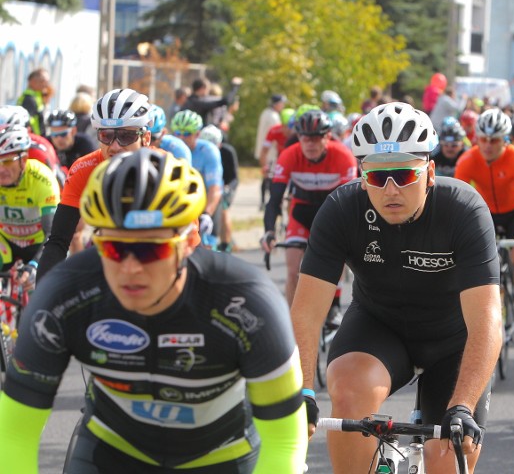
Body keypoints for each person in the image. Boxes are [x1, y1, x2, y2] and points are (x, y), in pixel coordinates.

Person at [0, 148, 308, 472]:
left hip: (222, 456)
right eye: (114, 248)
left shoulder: (246, 301)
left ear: (190, 241)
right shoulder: (66, 293)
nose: (130, 268)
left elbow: (284, 439)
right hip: (113, 451)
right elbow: (14, 433)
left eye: (151, 249)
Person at [291, 102, 501, 473]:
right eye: (376, 177)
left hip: (454, 341)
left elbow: (487, 320)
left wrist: (463, 407)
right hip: (379, 327)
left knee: (449, 456)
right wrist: (304, 390)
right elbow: (306, 312)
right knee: (349, 390)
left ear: (430, 172)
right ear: (361, 175)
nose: (390, 189)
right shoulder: (342, 209)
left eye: (404, 175)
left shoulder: (464, 210)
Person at [37, 88, 154, 281]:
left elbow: (188, 242)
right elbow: (58, 241)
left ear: (146, 139)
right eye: (106, 136)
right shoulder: (84, 169)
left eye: (126, 136)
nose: (115, 146)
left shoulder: (166, 169)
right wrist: (41, 298)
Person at [454, 109, 514, 343]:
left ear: (505, 140)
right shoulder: (467, 160)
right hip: (485, 214)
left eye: (495, 140)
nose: (488, 145)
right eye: (483, 140)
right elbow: (457, 202)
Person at [261, 110, 356, 308]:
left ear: (327, 137)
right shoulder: (289, 155)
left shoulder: (343, 156)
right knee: (293, 268)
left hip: (332, 212)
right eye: (305, 138)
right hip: (301, 211)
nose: (310, 143)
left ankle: (334, 304)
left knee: (336, 253)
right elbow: (275, 199)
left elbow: (350, 201)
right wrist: (269, 231)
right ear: (298, 138)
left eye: (316, 138)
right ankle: (293, 328)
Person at [0, 125, 60, 291]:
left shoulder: (42, 179)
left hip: (38, 243)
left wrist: (34, 265)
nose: (0, 169)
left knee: (44, 293)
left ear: (24, 160)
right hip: (5, 241)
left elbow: (54, 233)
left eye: (6, 161)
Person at [170, 110, 223, 245]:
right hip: (181, 202)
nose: (181, 138)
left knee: (208, 247)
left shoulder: (209, 151)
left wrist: (207, 213)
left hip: (206, 200)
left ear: (198, 134)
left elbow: (214, 188)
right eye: (177, 133)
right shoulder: (169, 148)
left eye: (187, 134)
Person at [200, 125, 240, 252]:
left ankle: (225, 243)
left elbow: (234, 177)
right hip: (205, 187)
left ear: (220, 144)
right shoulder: (199, 151)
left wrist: (228, 188)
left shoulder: (228, 152)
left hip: (224, 185)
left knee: (223, 208)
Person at [45, 109, 98, 173]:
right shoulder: (46, 144)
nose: (59, 139)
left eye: (63, 134)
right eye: (54, 135)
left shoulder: (85, 143)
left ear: (73, 131)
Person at [17, 68, 53, 136]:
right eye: (43, 81)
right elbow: (26, 123)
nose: (46, 84)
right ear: (32, 81)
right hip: (33, 140)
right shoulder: (29, 99)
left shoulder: (37, 96)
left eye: (47, 82)